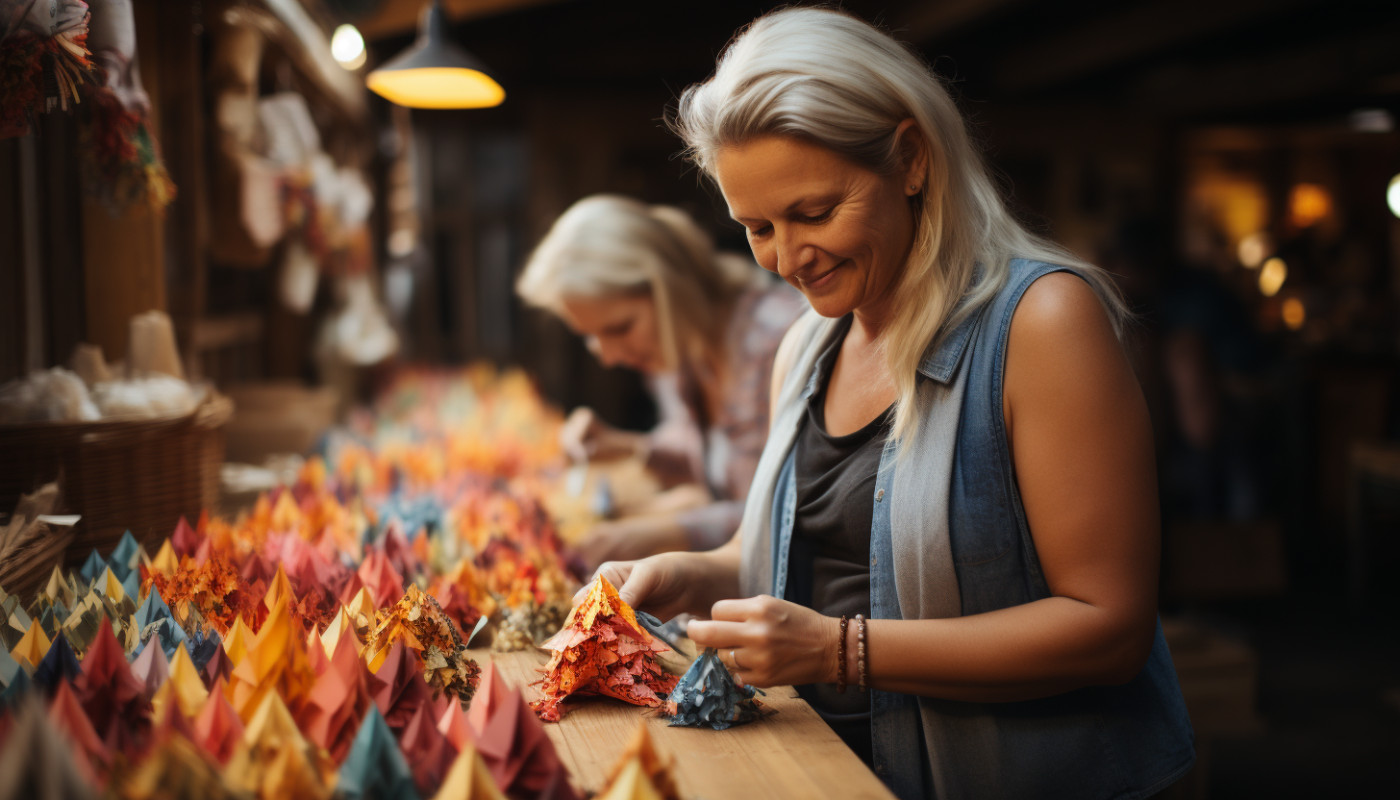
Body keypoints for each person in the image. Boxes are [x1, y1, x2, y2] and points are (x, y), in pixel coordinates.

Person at [586, 8, 1195, 799]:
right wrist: (690, 573)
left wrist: (841, 652)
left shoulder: (1042, 323)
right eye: (756, 226)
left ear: (911, 159)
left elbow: (1108, 628)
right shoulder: (809, 344)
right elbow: (787, 550)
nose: (787, 259)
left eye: (813, 213)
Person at [517, 194, 804, 568]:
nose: (608, 357)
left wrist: (672, 530)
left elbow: (791, 519)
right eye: (590, 337)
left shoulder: (779, 340)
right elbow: (712, 463)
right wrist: (627, 446)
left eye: (619, 328)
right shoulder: (686, 349)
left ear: (670, 287)